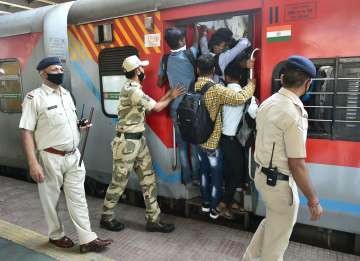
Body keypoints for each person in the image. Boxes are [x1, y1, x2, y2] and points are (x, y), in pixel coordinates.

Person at [19, 57, 112, 253]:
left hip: (74, 156)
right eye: (55, 69)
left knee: (78, 198)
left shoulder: (67, 95)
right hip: (50, 157)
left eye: (61, 69)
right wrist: (33, 163)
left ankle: (87, 238)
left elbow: (67, 122)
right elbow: (26, 131)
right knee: (50, 200)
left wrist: (80, 126)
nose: (60, 72)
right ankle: (56, 235)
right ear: (43, 73)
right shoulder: (34, 98)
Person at [242, 56, 323, 261]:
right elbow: (296, 164)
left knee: (272, 223)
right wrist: (313, 200)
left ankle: (249, 258)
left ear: (283, 78)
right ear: (308, 83)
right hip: (279, 185)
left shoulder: (269, 102)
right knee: (276, 244)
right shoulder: (294, 113)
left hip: (262, 176)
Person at [100, 55, 184, 233]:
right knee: (119, 182)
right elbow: (158, 108)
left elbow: (155, 104)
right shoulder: (133, 91)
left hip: (138, 141)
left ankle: (153, 220)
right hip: (127, 144)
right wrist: (172, 96)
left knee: (148, 180)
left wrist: (170, 93)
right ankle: (106, 217)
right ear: (137, 71)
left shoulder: (134, 88)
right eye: (142, 68)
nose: (144, 70)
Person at [194, 54, 255, 219]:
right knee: (216, 176)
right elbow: (240, 98)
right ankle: (216, 208)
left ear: (197, 69)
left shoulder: (194, 86)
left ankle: (206, 204)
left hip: (198, 139)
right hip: (214, 141)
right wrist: (251, 85)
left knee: (203, 173)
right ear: (214, 70)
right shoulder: (216, 89)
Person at [157, 26, 200, 186]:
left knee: (182, 145)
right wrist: (197, 32)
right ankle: (196, 177)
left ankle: (186, 179)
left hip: (175, 107)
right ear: (182, 41)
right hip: (192, 107)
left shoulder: (165, 59)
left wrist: (170, 79)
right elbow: (195, 43)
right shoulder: (191, 53)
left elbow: (159, 82)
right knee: (194, 144)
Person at [217, 60, 258, 219]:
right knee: (236, 174)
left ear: (226, 77)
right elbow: (255, 113)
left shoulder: (219, 92)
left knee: (228, 173)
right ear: (240, 77)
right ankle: (223, 205)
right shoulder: (247, 95)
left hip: (222, 139)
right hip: (236, 141)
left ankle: (230, 201)